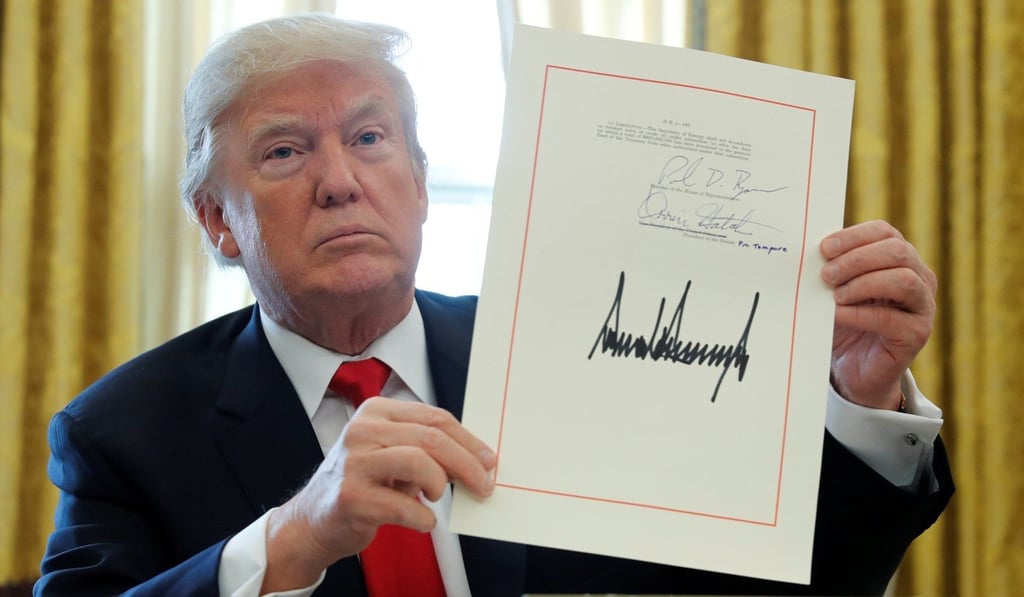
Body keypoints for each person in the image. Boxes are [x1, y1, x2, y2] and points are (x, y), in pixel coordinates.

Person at [35, 13, 952, 597]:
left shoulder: (574, 359)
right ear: (217, 221)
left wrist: (860, 398)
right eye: (283, 152)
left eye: (369, 137)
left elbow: (786, 584)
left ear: (423, 183)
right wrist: (292, 537)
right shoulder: (124, 432)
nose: (341, 181)